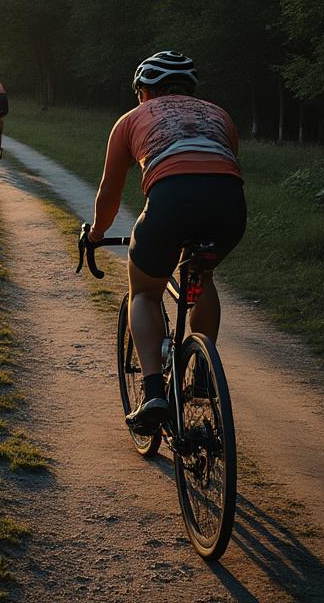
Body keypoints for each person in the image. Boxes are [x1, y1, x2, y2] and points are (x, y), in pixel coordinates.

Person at [87, 51, 246, 433]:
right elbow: (218, 167)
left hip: (172, 201)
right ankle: (205, 374)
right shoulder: (219, 115)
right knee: (201, 276)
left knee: (144, 293)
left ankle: (154, 391)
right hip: (229, 206)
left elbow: (110, 195)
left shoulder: (130, 120)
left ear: (143, 91)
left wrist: (95, 233)